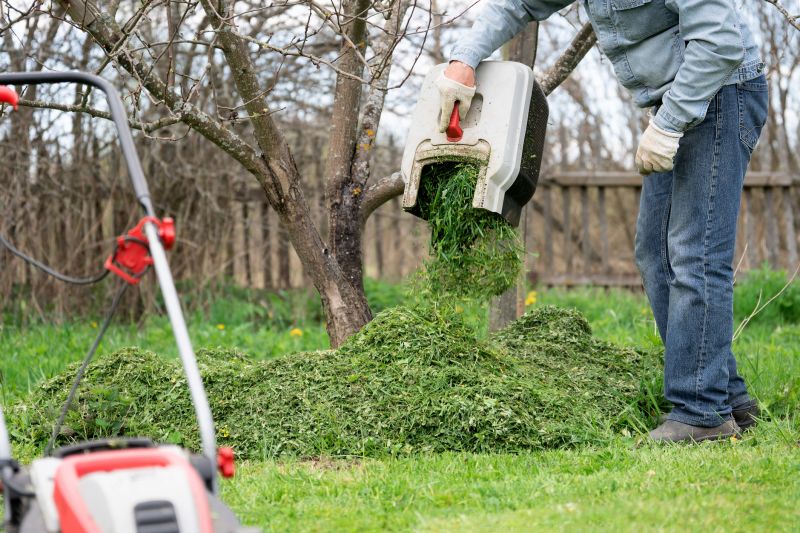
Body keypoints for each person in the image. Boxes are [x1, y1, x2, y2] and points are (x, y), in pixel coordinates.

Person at [438, 0, 768, 442]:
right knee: (655, 255)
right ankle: (729, 398)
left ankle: (701, 413)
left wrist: (669, 123)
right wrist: (464, 58)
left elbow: (719, 41)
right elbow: (518, 4)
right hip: (677, 98)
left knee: (695, 254)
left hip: (719, 92)